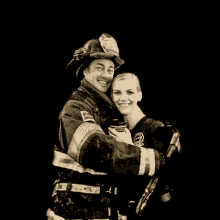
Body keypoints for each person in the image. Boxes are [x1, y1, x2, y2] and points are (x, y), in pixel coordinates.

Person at [46, 34, 167, 220]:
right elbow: (96, 150)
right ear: (85, 70)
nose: (106, 75)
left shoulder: (107, 111)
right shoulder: (75, 108)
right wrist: (159, 160)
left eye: (110, 69)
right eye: (99, 67)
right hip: (71, 213)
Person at [108, 72, 182, 220]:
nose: (123, 98)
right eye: (117, 92)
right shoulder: (114, 129)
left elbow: (165, 179)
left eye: (130, 92)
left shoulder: (156, 129)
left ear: (139, 95)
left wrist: (129, 148)